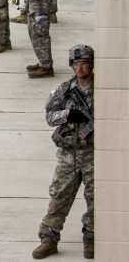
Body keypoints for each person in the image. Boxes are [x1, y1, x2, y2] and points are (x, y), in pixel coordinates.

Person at [32, 45, 94, 260]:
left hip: (93, 153)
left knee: (95, 199)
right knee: (59, 197)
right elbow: (50, 116)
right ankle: (48, 239)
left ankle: (91, 239)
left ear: (91, 64)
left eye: (84, 63)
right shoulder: (65, 89)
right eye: (76, 64)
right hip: (69, 153)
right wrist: (68, 114)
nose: (80, 68)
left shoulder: (103, 89)